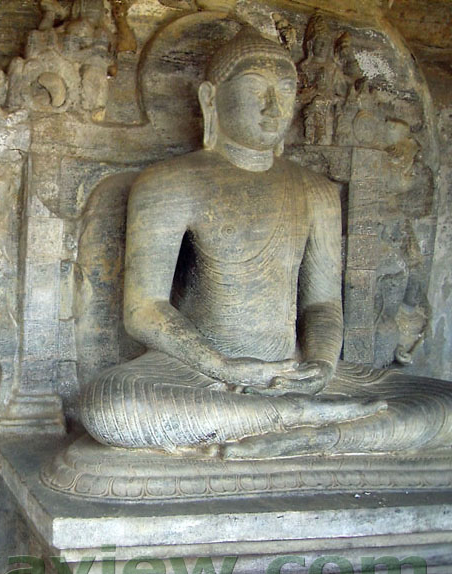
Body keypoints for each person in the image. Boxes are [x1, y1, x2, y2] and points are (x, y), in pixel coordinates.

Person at [78, 26, 452, 458]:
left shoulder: (316, 191)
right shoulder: (168, 184)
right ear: (209, 99)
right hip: (199, 375)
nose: (275, 107)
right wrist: (223, 365)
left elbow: (322, 305)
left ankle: (298, 429)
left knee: (444, 405)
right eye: (257, 89)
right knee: (110, 406)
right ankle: (305, 423)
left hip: (294, 372)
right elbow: (143, 310)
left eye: (287, 89)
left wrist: (321, 366)